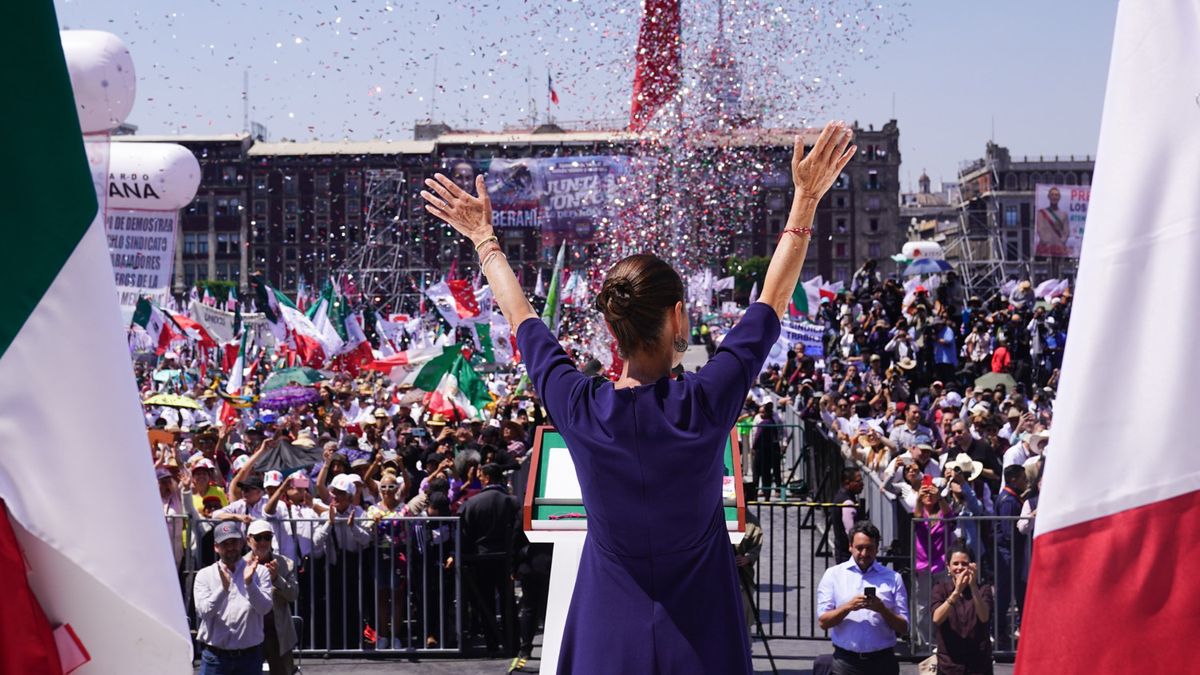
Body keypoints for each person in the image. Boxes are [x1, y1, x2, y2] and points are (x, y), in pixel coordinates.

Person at [420, 119, 856, 673]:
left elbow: (521, 317)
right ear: (678, 317)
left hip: (606, 629)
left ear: (611, 329)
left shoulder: (578, 405)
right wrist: (806, 199)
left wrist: (483, 237)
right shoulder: (705, 403)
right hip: (703, 634)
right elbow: (772, 300)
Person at [816, 521, 909, 675]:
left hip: (883, 663)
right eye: (859, 548)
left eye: (870, 548)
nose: (864, 554)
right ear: (850, 546)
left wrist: (882, 610)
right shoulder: (833, 575)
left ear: (877, 548)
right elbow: (824, 622)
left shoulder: (893, 578)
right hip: (846, 663)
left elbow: (904, 628)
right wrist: (848, 607)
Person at [193, 520, 273, 675]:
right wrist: (223, 589)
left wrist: (250, 584)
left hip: (250, 658)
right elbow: (204, 613)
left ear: (242, 543)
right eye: (225, 544)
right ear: (216, 547)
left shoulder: (260, 572)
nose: (230, 548)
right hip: (215, 658)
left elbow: (265, 608)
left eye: (234, 542)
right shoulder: (204, 575)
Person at [458, 463, 519, 654]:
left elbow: (465, 533)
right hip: (506, 558)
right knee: (508, 601)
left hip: (481, 559)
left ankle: (492, 643)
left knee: (486, 602)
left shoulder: (472, 503)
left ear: (485, 478)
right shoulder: (512, 502)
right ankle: (513, 643)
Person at [244, 520, 299, 675]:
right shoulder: (240, 565)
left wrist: (277, 578)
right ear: (249, 540)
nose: (263, 542)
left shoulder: (285, 563)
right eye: (258, 538)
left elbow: (293, 595)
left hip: (278, 634)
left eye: (267, 537)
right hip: (250, 634)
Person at [931, 543, 993, 675]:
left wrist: (973, 587)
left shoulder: (983, 590)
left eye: (964, 564)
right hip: (949, 665)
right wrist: (957, 591)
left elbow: (984, 617)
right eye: (956, 564)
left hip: (978, 666)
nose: (960, 568)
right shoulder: (940, 589)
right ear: (948, 567)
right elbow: (937, 618)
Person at [832, 467, 866, 564]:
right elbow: (851, 531)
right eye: (858, 481)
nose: (862, 484)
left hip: (842, 550)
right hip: (847, 554)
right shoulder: (847, 502)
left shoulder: (841, 496)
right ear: (847, 483)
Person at [1034, 188, 1070, 257]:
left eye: (1056, 195)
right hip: (1045, 247)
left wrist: (1061, 242)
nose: (1054, 197)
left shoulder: (1064, 214)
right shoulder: (1041, 213)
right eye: (1052, 195)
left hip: (1059, 248)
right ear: (1049, 197)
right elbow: (1040, 229)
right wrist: (1047, 242)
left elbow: (1066, 232)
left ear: (1059, 197)